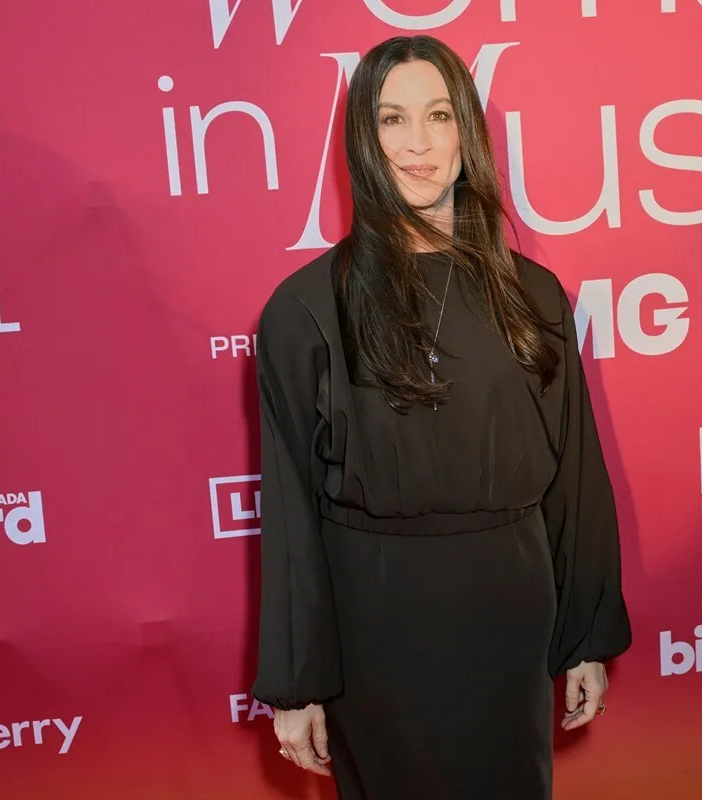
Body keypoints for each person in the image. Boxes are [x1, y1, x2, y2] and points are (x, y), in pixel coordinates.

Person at [251, 34, 632, 799]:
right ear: (364, 137)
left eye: (439, 116)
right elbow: (291, 509)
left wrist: (585, 636)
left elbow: (576, 479)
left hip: (509, 610)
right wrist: (297, 682)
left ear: (469, 132)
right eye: (392, 120)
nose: (418, 144)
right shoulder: (304, 309)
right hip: (378, 623)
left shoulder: (534, 296)